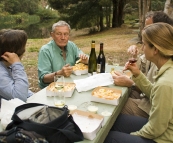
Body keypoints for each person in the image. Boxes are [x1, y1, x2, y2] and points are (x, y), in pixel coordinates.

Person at [105, 22, 173, 143]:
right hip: (162, 127)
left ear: (155, 49)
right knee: (111, 122)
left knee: (107, 137)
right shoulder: (167, 69)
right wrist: (138, 74)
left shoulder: (166, 82)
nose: (142, 48)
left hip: (164, 137)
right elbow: (154, 93)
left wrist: (133, 136)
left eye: (144, 44)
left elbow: (156, 129)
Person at [113, 11, 173, 118]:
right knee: (117, 94)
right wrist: (134, 57)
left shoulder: (164, 61)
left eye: (148, 27)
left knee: (116, 106)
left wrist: (132, 84)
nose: (144, 31)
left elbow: (156, 95)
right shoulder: (157, 52)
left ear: (160, 31)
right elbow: (142, 65)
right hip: (147, 97)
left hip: (151, 108)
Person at [38, 20, 88, 89]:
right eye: (59, 34)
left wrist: (86, 61)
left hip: (70, 87)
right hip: (52, 90)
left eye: (66, 34)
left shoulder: (72, 45)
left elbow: (85, 57)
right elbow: (43, 78)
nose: (63, 38)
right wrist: (59, 74)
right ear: (52, 35)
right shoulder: (45, 50)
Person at [0, 29, 33, 103]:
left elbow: (24, 91)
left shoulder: (8, 65)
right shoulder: (1, 71)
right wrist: (17, 64)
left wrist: (34, 97)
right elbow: (19, 97)